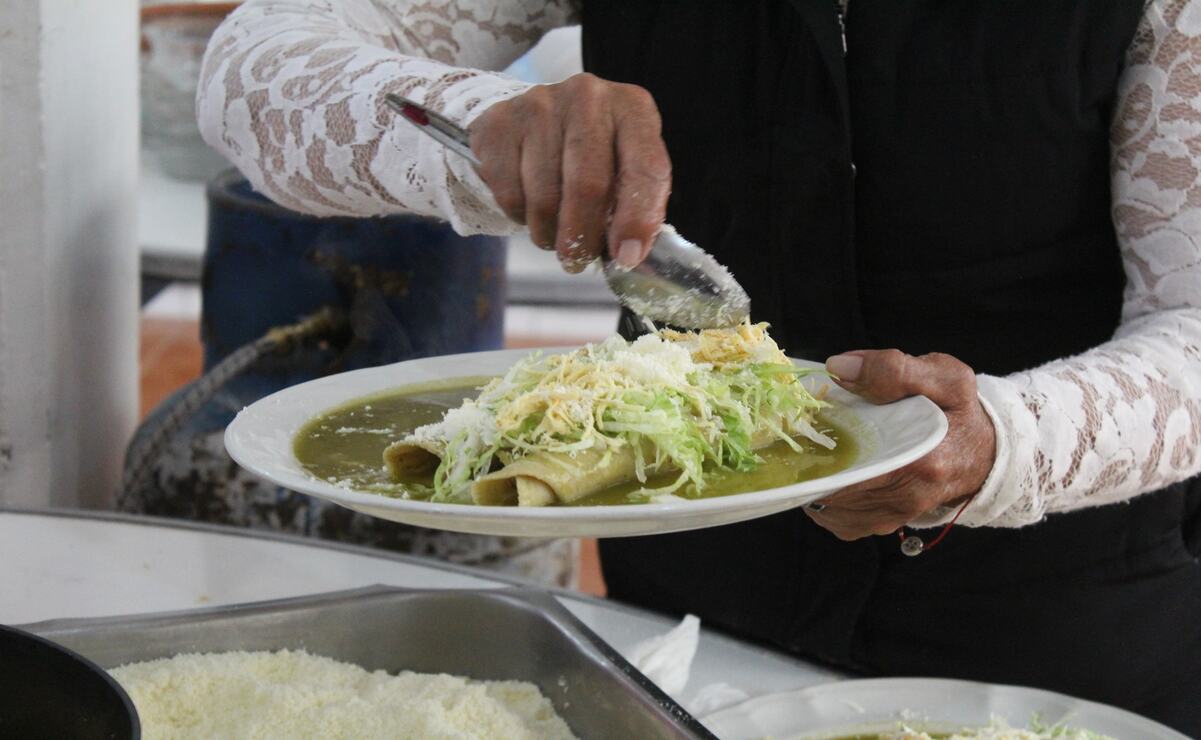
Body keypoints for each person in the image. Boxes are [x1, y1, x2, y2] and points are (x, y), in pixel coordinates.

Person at [197, 1, 1201, 732]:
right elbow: (250, 66)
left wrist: (1006, 441)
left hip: (1062, 643)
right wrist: (484, 121)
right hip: (684, 630)